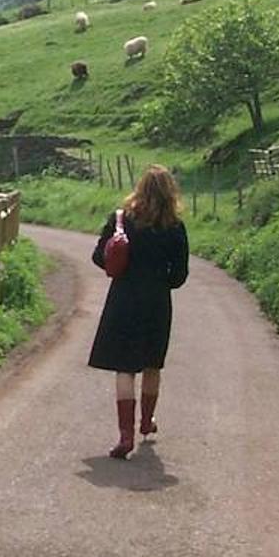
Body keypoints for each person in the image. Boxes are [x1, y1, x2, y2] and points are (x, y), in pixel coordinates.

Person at [88, 165, 189, 458]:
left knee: (124, 368)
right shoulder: (175, 227)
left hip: (123, 298)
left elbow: (99, 257)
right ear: (170, 192)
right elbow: (179, 276)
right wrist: (162, 279)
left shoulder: (121, 220)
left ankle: (125, 436)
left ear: (139, 188)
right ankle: (146, 421)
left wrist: (123, 269)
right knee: (152, 365)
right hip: (157, 301)